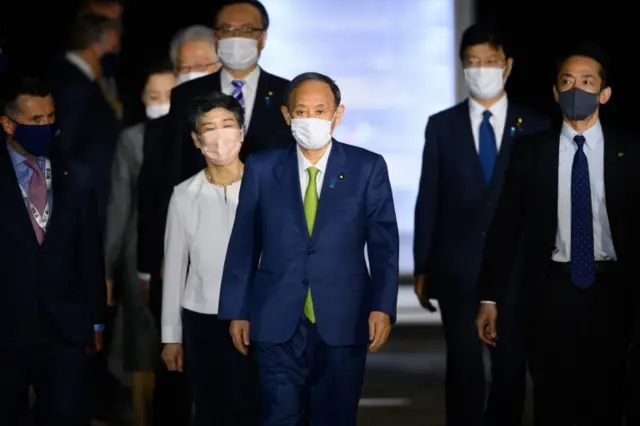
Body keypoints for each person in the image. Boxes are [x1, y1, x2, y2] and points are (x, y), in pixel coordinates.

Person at [219, 72, 399, 426]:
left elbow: (384, 245)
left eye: (320, 110)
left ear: (338, 114)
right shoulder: (262, 166)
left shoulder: (367, 168)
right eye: (301, 111)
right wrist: (237, 310)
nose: (310, 119)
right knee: (279, 415)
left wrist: (382, 306)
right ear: (287, 116)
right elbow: (243, 241)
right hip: (275, 314)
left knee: (335, 415)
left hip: (343, 315)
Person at [476, 44, 640, 425]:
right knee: (553, 397)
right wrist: (490, 297)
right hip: (551, 290)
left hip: (613, 290)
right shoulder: (530, 152)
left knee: (610, 394)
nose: (575, 90)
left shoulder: (630, 153)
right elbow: (506, 226)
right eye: (567, 81)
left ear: (604, 93)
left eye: (586, 82)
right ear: (554, 92)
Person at [413, 25, 549, 426]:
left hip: (516, 269)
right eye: (473, 62)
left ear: (507, 65)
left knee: (510, 367)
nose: (481, 69)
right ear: (462, 67)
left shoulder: (536, 123)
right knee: (463, 366)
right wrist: (423, 266)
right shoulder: (442, 125)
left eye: (489, 61)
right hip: (458, 268)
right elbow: (429, 197)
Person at [0, 76, 105, 425]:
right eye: (35, 120)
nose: (46, 126)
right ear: (7, 123)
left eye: (50, 117)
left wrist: (96, 319)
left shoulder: (76, 173)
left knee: (67, 415)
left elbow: (90, 251)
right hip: (7, 326)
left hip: (64, 325)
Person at [137, 26, 224, 426]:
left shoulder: (238, 127)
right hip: (177, 269)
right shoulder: (159, 130)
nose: (193, 74)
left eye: (202, 66)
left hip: (233, 275)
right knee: (174, 373)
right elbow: (150, 199)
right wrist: (151, 260)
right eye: (185, 68)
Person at [161, 92, 259, 426]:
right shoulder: (184, 195)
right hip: (204, 318)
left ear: (242, 132)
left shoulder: (267, 187)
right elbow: (174, 269)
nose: (220, 135)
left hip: (259, 315)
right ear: (196, 139)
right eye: (209, 128)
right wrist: (171, 337)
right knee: (210, 408)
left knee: (257, 406)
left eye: (227, 125)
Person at [49, 12, 124, 422]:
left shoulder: (87, 83)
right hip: (84, 213)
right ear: (104, 39)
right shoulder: (73, 86)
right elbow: (65, 154)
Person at [104, 61, 176, 426]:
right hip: (140, 258)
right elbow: (118, 207)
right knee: (142, 349)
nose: (162, 102)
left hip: (187, 255)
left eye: (169, 94)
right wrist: (108, 269)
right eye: (154, 96)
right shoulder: (132, 139)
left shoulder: (196, 135)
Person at [165, 0, 294, 192]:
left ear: (263, 38)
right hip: (202, 211)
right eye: (227, 29)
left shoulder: (290, 94)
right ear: (216, 38)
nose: (236, 37)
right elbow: (172, 168)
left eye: (247, 30)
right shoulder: (186, 95)